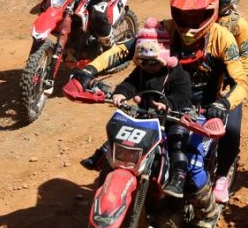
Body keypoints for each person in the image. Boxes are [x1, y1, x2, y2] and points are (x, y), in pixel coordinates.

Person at [73, 0, 248, 228]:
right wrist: (89, 71)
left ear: (212, 11)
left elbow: (240, 83)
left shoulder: (223, 39)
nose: (189, 23)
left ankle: (206, 215)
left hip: (199, 113)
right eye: (183, 15)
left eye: (197, 15)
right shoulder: (163, 31)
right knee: (122, 145)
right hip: (156, 105)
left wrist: (222, 104)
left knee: (191, 165)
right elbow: (123, 49)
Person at [82, 17, 192, 199]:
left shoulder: (176, 73)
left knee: (177, 143)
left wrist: (169, 104)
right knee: (124, 133)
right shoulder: (141, 71)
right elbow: (130, 83)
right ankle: (101, 155)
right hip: (146, 116)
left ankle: (177, 178)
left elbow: (183, 94)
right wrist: (120, 93)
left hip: (172, 118)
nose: (148, 66)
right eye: (143, 61)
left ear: (164, 57)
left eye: (153, 62)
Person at [198, 0, 248, 203]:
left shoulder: (239, 26)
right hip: (194, 83)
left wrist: (225, 97)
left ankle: (222, 175)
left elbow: (243, 70)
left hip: (224, 90)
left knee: (230, 129)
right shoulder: (191, 12)